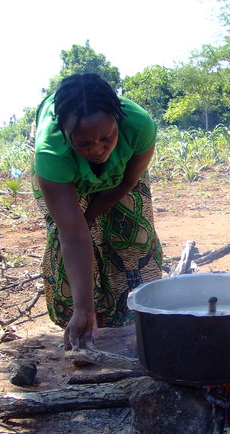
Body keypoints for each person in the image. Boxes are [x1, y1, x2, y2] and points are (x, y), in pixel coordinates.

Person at [32, 73, 162, 351]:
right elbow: (72, 235)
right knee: (67, 246)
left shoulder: (139, 126)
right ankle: (85, 320)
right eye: (83, 143)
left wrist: (89, 217)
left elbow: (128, 182)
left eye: (106, 137)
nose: (97, 149)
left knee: (133, 240)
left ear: (118, 121)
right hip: (67, 183)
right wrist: (83, 308)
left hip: (121, 177)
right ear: (66, 136)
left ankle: (128, 327)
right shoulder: (51, 155)